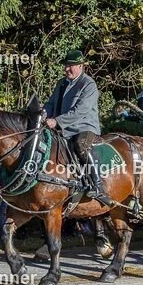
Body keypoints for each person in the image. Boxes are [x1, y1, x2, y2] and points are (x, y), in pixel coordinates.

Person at [44, 49, 113, 205]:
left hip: (84, 127)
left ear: (81, 66)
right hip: (61, 128)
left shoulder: (88, 85)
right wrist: (42, 114)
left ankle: (98, 186)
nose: (67, 69)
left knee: (80, 144)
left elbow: (80, 111)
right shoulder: (61, 83)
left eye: (72, 66)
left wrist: (57, 121)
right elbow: (51, 104)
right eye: (66, 65)